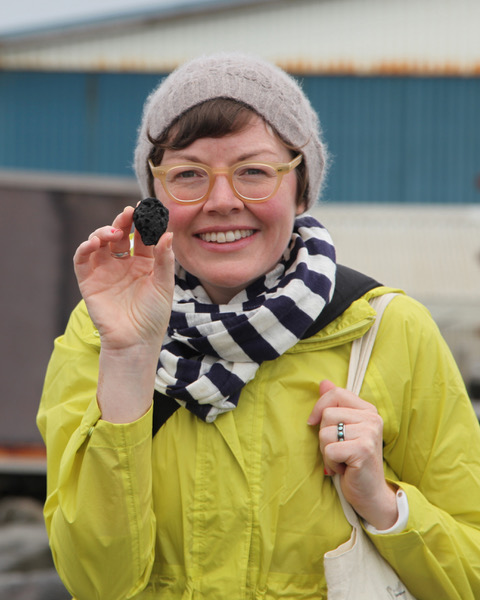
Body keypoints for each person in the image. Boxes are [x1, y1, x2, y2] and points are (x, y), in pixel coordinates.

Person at [37, 52, 480, 600]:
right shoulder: (102, 331)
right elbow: (95, 583)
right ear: (156, 199)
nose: (222, 202)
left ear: (301, 188)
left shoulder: (387, 329)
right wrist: (129, 360)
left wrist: (386, 506)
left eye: (253, 171)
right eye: (189, 175)